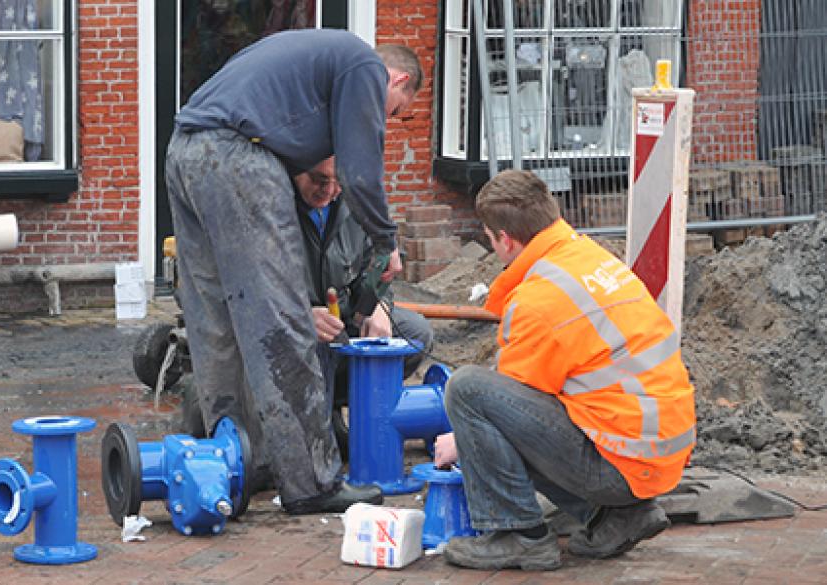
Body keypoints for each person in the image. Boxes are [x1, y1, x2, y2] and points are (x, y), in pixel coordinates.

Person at [165, 28, 422, 515]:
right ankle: (312, 484)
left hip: (183, 150)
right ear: (396, 79)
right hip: (237, 158)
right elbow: (360, 172)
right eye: (394, 112)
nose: (384, 121)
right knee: (282, 323)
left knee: (215, 319)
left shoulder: (306, 58)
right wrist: (386, 241)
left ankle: (234, 462)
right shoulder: (363, 67)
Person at [432, 170, 696, 570]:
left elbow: (506, 402)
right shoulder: (588, 258)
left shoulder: (539, 300)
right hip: (657, 454)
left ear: (505, 239)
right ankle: (616, 517)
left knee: (466, 389)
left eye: (489, 238)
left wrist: (462, 438)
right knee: (510, 403)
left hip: (623, 463)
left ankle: (519, 536)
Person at [293, 156, 433, 386]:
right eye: (319, 180)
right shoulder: (272, 207)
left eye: (338, 181)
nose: (329, 191)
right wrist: (300, 317)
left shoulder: (354, 206)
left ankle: (345, 401)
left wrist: (378, 307)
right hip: (290, 333)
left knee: (415, 334)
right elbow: (249, 296)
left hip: (339, 325)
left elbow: (368, 271)